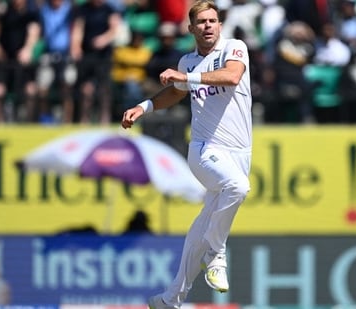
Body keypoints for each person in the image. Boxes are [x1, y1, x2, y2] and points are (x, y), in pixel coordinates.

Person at [121, 1, 252, 307]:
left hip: (240, 153)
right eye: (201, 22)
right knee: (238, 188)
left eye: (212, 20)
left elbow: (231, 77)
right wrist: (144, 106)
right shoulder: (187, 62)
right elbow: (173, 93)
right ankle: (216, 253)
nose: (208, 26)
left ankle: (170, 298)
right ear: (191, 29)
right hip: (205, 150)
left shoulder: (234, 48)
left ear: (219, 25)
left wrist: (186, 79)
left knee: (204, 222)